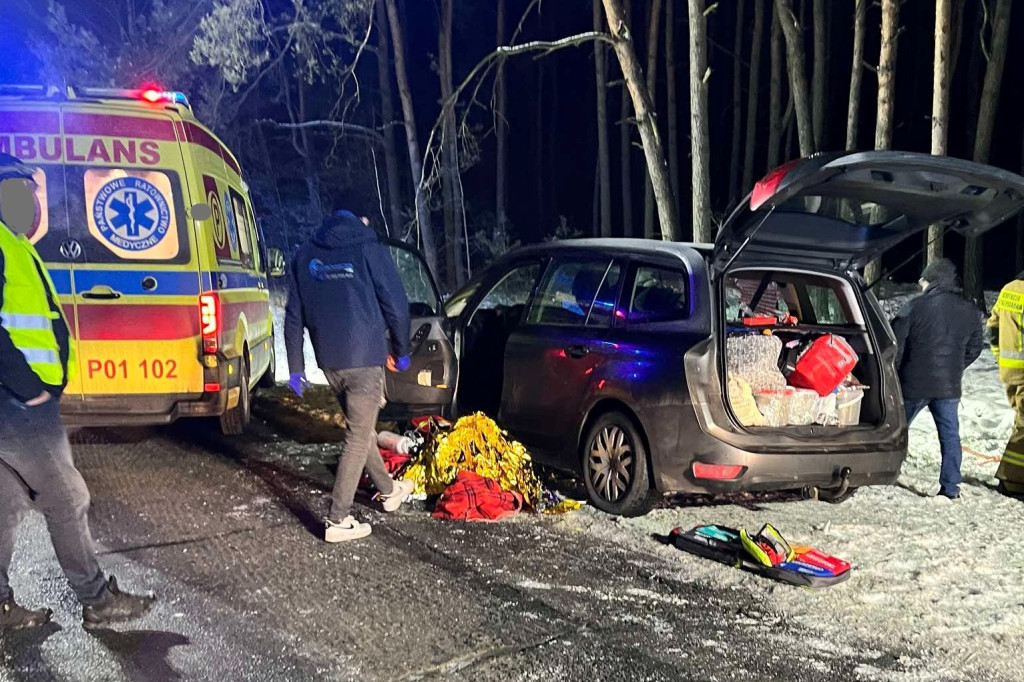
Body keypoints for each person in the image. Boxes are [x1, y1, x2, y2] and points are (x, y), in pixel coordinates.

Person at [0, 154, 154, 630]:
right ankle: (96, 599)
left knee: (4, 505)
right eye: (22, 192)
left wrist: (54, 377)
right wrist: (32, 390)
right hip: (17, 404)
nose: (32, 202)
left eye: (33, 193)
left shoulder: (15, 244)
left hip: (19, 401)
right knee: (67, 497)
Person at [285, 206, 415, 542]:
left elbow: (293, 317)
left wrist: (296, 369)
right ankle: (337, 519)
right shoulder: (369, 247)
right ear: (363, 218)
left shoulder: (305, 255)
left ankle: (388, 491)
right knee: (358, 436)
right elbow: (396, 304)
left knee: (363, 430)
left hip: (331, 362)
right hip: (364, 360)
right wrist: (401, 353)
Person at [892, 258, 985, 500]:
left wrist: (899, 371)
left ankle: (888, 471)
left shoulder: (914, 307)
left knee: (897, 429)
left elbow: (896, 345)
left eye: (923, 280)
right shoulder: (970, 310)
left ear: (931, 281)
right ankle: (951, 486)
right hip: (949, 386)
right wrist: (955, 367)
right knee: (950, 435)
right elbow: (975, 347)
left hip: (914, 382)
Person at [987, 272, 1024, 496]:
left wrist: (1000, 357)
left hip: (1010, 370)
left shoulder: (1009, 289)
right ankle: (1011, 480)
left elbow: (993, 326)